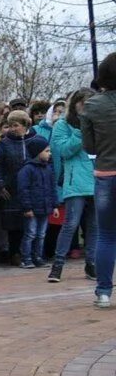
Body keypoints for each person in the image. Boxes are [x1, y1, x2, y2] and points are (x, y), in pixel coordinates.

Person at [48, 89, 96, 282]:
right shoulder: (62, 125)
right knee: (71, 224)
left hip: (97, 178)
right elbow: (64, 151)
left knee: (95, 226)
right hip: (75, 181)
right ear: (75, 104)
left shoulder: (98, 124)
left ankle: (91, 263)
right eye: (83, 103)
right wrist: (80, 130)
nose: (86, 108)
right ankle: (58, 264)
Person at [81, 53, 116, 308]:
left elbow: (89, 145)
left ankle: (103, 292)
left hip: (106, 172)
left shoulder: (92, 105)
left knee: (106, 236)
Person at [0, 110, 39, 265]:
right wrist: (0, 184)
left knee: (32, 222)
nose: (12, 129)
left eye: (16, 125)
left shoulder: (37, 140)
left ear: (25, 125)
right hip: (11, 188)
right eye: (10, 125)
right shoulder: (4, 143)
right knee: (14, 225)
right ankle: (15, 253)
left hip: (32, 187)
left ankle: (34, 253)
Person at [16, 137, 55, 268]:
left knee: (41, 234)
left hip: (44, 208)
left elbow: (52, 188)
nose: (49, 154)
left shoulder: (48, 169)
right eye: (47, 151)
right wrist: (27, 208)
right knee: (30, 233)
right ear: (38, 152)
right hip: (32, 208)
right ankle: (26, 258)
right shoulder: (27, 170)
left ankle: (38, 257)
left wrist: (54, 205)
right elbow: (23, 190)